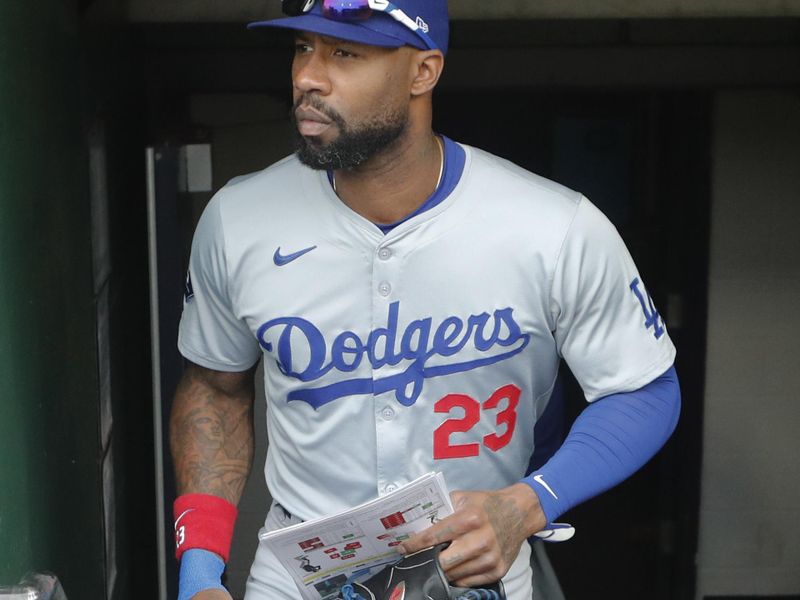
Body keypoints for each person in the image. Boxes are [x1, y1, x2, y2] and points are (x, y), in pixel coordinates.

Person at [168, 1, 682, 599]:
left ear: (424, 72)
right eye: (303, 47)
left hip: (475, 568)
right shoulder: (238, 218)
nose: (307, 75)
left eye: (344, 52)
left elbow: (644, 389)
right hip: (301, 572)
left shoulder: (553, 226)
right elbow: (213, 387)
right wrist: (199, 573)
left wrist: (531, 503)